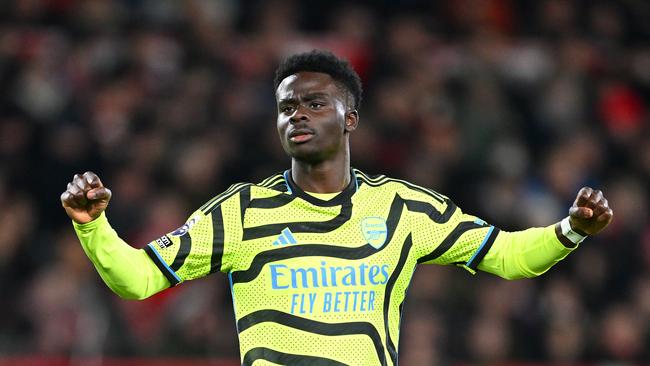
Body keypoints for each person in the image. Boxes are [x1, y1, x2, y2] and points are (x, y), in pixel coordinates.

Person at [61, 50, 613, 365]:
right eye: (285, 107)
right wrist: (94, 227)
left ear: (349, 119)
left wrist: (571, 229)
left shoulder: (403, 208)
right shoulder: (243, 212)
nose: (296, 115)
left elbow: (507, 256)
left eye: (314, 103)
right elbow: (138, 278)